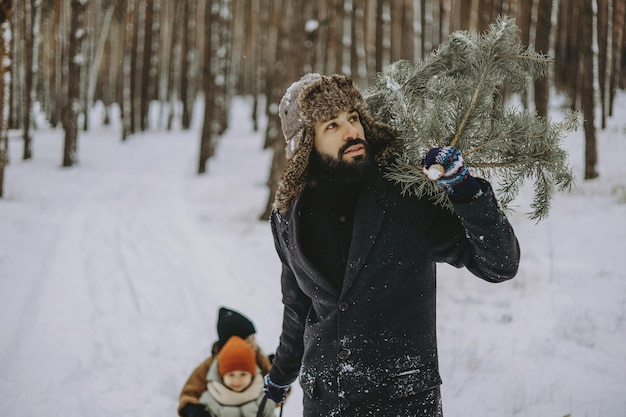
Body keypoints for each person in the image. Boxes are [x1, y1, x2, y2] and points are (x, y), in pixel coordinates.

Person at [262, 73, 521, 417]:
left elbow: (499, 264)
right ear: (306, 143)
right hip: (324, 404)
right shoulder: (287, 219)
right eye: (332, 125)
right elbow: (297, 308)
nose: (351, 131)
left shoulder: (405, 198)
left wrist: (464, 190)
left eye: (353, 118)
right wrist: (280, 379)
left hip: (402, 403)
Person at [179, 307, 273, 417]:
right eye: (248, 341)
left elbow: (276, 397)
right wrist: (191, 409)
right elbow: (189, 393)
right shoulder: (210, 366)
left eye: (254, 339)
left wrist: (279, 373)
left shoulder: (258, 359)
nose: (254, 345)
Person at [196, 335, 276, 417]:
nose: (237, 380)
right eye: (231, 375)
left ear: (252, 375)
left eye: (243, 374)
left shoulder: (264, 397)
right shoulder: (209, 401)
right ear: (221, 376)